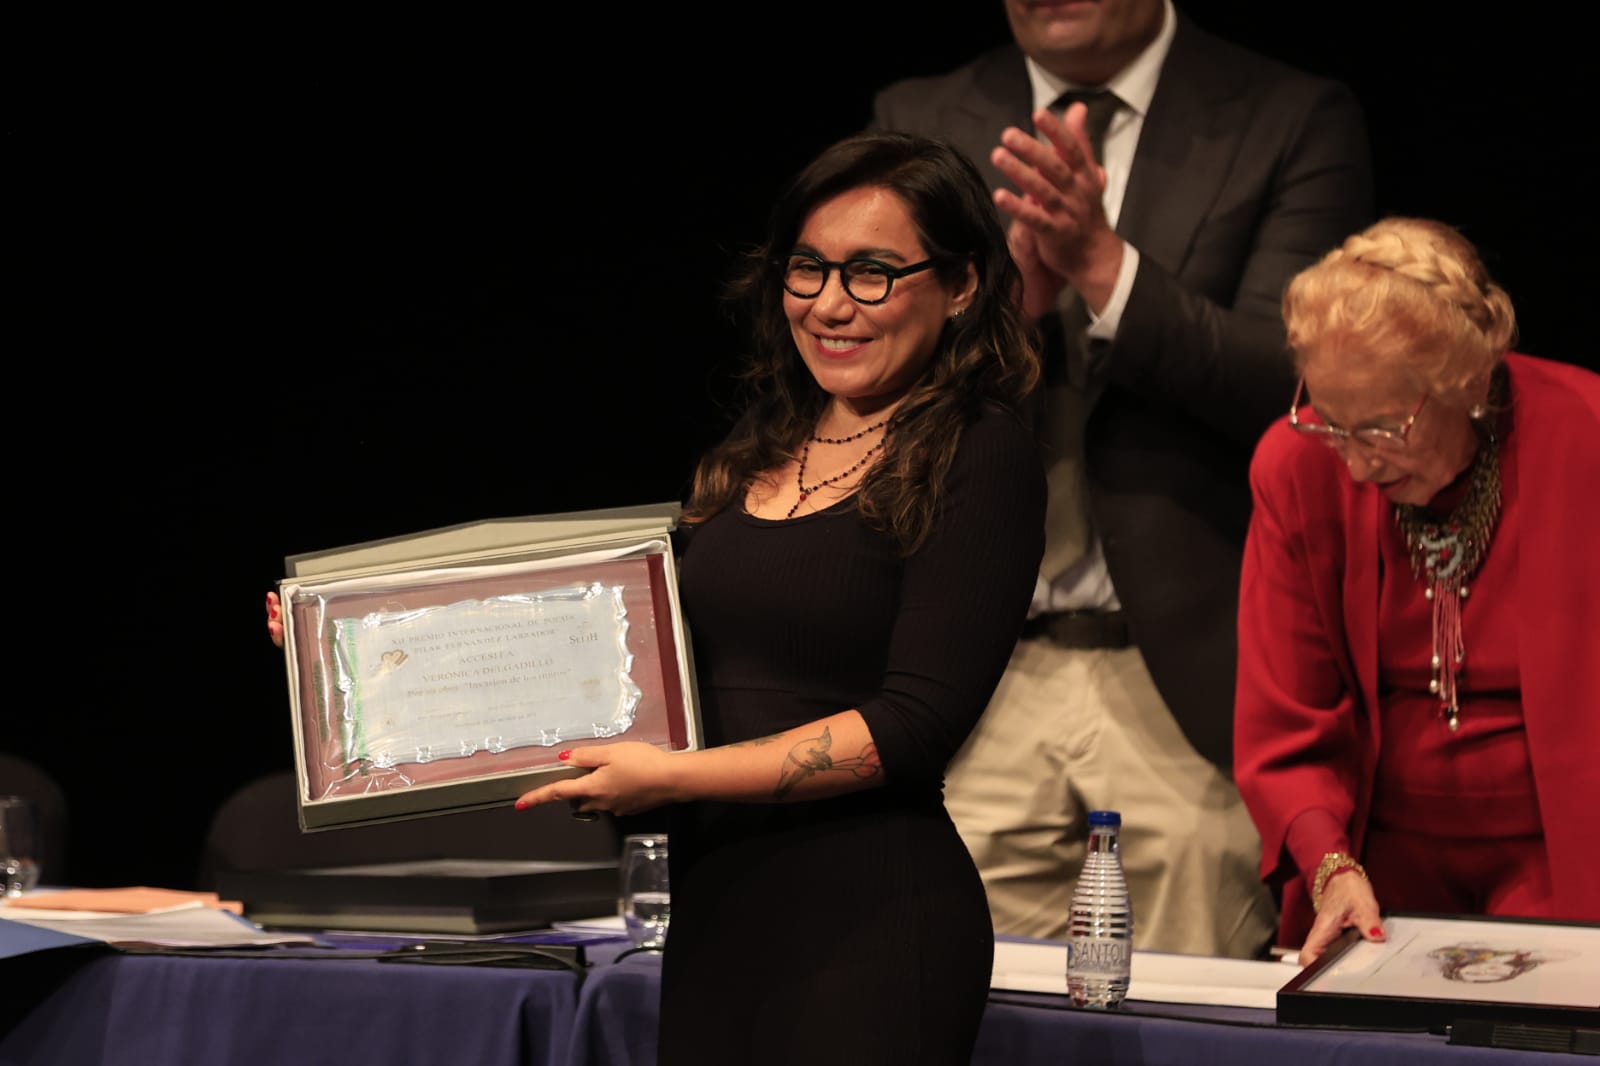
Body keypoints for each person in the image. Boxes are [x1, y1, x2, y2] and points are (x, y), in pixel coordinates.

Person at [514, 132, 1046, 1064]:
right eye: (809, 269)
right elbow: (624, 658)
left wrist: (671, 777)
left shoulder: (982, 452)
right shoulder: (759, 441)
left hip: (870, 927)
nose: (832, 304)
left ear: (960, 285)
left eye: (874, 273)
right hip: (722, 921)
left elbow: (913, 726)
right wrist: (358, 642)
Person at [870, 0, 1372, 957]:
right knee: (949, 1001)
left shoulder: (1289, 114)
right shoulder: (922, 113)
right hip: (981, 673)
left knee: (1186, 1021)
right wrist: (1010, 312)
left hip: (1188, 679)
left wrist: (1107, 271)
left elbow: (1303, 385)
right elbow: (875, 381)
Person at [1234, 217, 1600, 966]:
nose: (1359, 466)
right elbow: (1284, 717)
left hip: (1570, 851)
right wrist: (1329, 865)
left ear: (1468, 382)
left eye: (1382, 428)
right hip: (1373, 859)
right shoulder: (1298, 467)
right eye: (1331, 423)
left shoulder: (1586, 436)